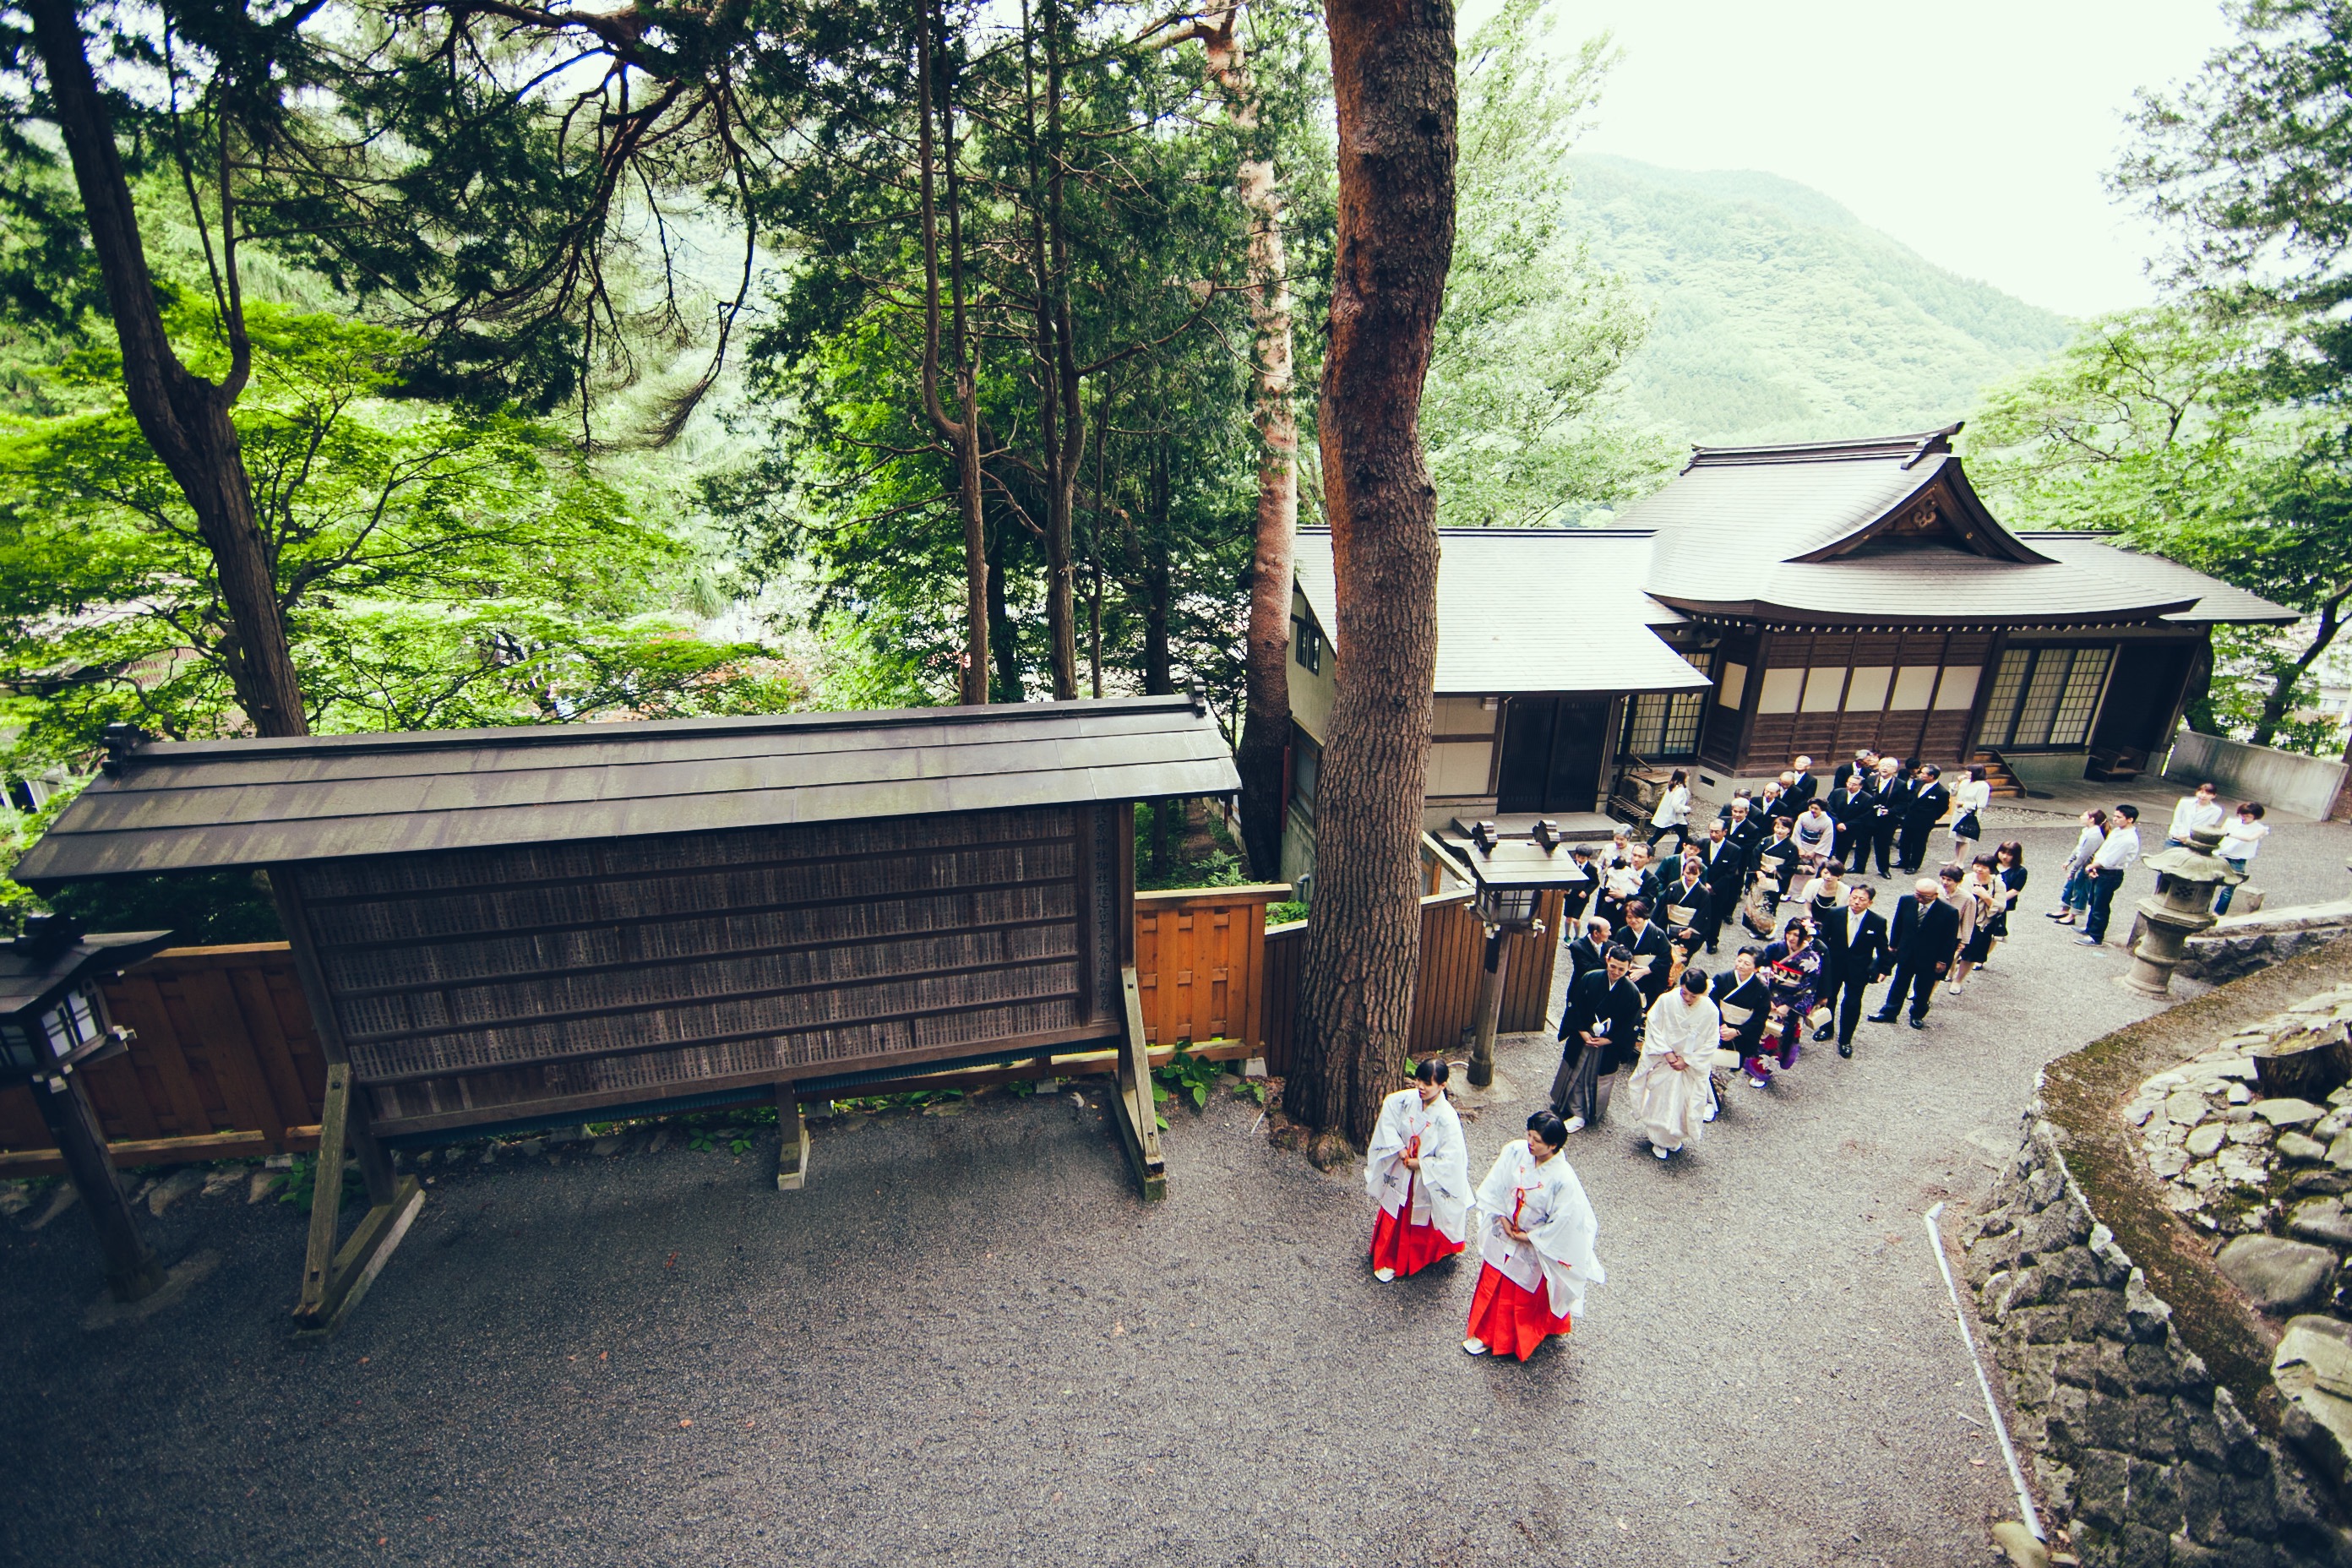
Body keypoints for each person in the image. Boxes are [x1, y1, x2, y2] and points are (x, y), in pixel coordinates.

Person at [1462, 1113, 1604, 1361]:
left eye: (1537, 1140)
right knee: (1494, 1279)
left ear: (1553, 1146)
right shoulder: (1516, 1152)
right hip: (1507, 1228)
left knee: (1521, 1289)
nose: (1529, 1142)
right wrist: (1503, 1218)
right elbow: (1496, 1185)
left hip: (1534, 1241)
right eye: (1529, 1135)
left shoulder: (1563, 1179)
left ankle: (1501, 1337)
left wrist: (1531, 1237)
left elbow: (1565, 1221)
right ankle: (1488, 1334)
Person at [1364, 1059, 1473, 1282]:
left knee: (1423, 1215)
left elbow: (1452, 1159)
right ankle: (1391, 1253)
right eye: (1419, 1080)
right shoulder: (1405, 1100)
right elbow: (1388, 1121)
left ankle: (1412, 1256)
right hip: (1404, 1167)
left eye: (1428, 1084)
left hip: (1424, 1177)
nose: (1420, 1087)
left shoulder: (1448, 1118)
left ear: (1442, 1085)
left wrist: (1422, 1164)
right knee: (1397, 1208)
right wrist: (1400, 1150)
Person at [1551, 945, 1642, 1133]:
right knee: (1577, 1068)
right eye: (1613, 966)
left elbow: (1631, 1023)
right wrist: (1581, 1030)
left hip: (1607, 1044)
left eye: (1621, 969)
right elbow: (1574, 1005)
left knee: (1593, 1075)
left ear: (1629, 968)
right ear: (1608, 961)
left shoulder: (1632, 992)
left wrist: (1610, 1040)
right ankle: (1567, 1104)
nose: (1616, 972)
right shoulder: (1590, 978)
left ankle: (1582, 1113)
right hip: (1582, 1036)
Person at [1632, 969, 1719, 1159]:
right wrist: (1668, 1053)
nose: (1687, 998)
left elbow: (1711, 1041)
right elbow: (1654, 1026)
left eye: (1693, 996)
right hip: (1666, 1059)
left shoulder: (1711, 1010)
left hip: (1689, 1064)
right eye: (1684, 993)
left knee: (1684, 1103)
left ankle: (1674, 1138)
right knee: (1661, 1100)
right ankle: (1659, 1139)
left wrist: (1687, 1061)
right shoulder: (1667, 1000)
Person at [1871, 876, 1962, 1031]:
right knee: (1899, 983)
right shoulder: (1906, 901)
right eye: (1917, 894)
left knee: (1923, 987)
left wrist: (1942, 961)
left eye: (1924, 897)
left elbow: (1949, 940)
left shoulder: (1949, 912)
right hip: (1906, 952)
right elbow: (1898, 924)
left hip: (1929, 957)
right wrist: (1893, 945)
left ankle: (1917, 1015)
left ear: (1935, 896)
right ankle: (1890, 1012)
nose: (1919, 899)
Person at [1749, 916, 1822, 1086]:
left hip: (1790, 1002)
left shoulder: (1812, 959)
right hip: (1769, 996)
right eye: (1789, 933)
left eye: (1796, 935)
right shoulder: (1775, 948)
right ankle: (1750, 1065)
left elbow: (1808, 988)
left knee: (1774, 1039)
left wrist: (1788, 1006)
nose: (1791, 938)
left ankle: (1763, 1072)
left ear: (1804, 936)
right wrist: (1766, 995)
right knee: (1756, 1030)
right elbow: (1760, 970)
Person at [1821, 883, 1889, 1057]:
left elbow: (1883, 948)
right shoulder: (1834, 914)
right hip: (1834, 965)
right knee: (1829, 998)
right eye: (1854, 897)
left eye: (1862, 899)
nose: (1857, 902)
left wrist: (1884, 969)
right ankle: (1826, 1028)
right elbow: (1822, 940)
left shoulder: (1877, 922)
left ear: (1870, 903)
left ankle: (1845, 1040)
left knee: (1852, 1003)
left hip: (1859, 969)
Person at [1712, 948, 1772, 1102]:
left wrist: (1737, 1031)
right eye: (1739, 960)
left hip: (1741, 1034)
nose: (1741, 965)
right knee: (1710, 1066)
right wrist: (1721, 1026)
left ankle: (1715, 1097)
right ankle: (1710, 1097)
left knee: (1726, 1069)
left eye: (1747, 963)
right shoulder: (1721, 978)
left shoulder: (1761, 990)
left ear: (1756, 968)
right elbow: (1712, 1005)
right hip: (1718, 1028)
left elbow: (1760, 1019)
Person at [2077, 804, 2142, 947]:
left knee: (2101, 904)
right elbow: (2104, 851)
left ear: (2130, 819)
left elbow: (2111, 859)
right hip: (2102, 869)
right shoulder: (2118, 831)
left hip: (2111, 873)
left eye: (2119, 817)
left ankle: (2096, 936)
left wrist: (2092, 866)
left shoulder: (2128, 838)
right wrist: (2095, 865)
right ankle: (2090, 928)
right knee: (2094, 901)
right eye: (2115, 816)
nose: (2115, 819)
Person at [2159, 781, 2225, 895]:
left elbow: (2206, 826)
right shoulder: (2185, 802)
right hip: (2175, 838)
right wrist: (2182, 834)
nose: (2203, 796)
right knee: (2166, 868)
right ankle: (2161, 892)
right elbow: (2178, 819)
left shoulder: (2216, 810)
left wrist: (2189, 838)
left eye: (2208, 793)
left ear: (2213, 796)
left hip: (2193, 842)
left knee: (2185, 870)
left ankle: (2174, 894)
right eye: (2201, 792)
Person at [1947, 855, 2000, 994]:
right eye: (1977, 865)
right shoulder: (1965, 879)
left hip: (1981, 923)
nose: (1980, 869)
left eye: (1984, 867)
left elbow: (2000, 907)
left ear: (1991, 869)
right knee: (1951, 950)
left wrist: (1986, 897)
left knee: (1970, 954)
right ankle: (1950, 971)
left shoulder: (1997, 883)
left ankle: (1958, 980)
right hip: (1961, 920)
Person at [2048, 809, 2108, 927]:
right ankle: (2064, 909)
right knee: (2069, 886)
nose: (2081, 817)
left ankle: (2072, 915)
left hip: (2086, 866)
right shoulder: (2087, 831)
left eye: (2084, 815)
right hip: (2080, 863)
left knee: (2080, 890)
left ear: (2092, 819)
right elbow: (2078, 848)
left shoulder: (2095, 835)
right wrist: (2069, 860)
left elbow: (2084, 855)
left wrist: (2073, 869)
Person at [1694, 819, 1744, 955]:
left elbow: (1730, 873)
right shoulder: (1703, 844)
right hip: (1700, 886)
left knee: (1715, 918)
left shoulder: (1734, 850)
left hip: (1719, 890)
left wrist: (1713, 887)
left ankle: (1712, 942)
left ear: (1725, 832)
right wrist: (1701, 883)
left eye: (1717, 832)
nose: (1713, 834)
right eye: (1711, 831)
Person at [1615, 899, 1673, 1010]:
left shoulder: (1658, 934)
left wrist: (1646, 970)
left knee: (1650, 1005)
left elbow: (1665, 958)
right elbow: (1617, 954)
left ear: (1644, 916)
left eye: (1637, 917)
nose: (1633, 921)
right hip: (1629, 973)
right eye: (1629, 917)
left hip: (1652, 975)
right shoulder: (1622, 933)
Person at [2213, 803, 2268, 915]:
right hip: (2221, 854)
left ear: (2255, 816)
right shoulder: (2231, 821)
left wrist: (2229, 834)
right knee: (2209, 882)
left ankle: (2218, 913)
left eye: (2248, 816)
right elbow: (2220, 833)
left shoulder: (2260, 828)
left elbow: (2249, 838)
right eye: (2243, 815)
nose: (2244, 818)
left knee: (2228, 888)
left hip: (2238, 859)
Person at [1980, 841, 2027, 969]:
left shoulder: (2020, 871)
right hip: (1983, 902)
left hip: (2006, 906)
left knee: (1995, 935)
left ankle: (1982, 958)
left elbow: (2016, 890)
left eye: (2009, 854)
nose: (2005, 856)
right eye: (2003, 852)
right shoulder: (1992, 865)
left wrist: (1997, 900)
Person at [1898, 763, 1950, 874]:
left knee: (1918, 843)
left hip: (1924, 821)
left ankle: (1914, 865)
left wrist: (1931, 817)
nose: (1920, 774)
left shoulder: (1941, 792)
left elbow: (1943, 808)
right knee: (1904, 840)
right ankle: (1904, 861)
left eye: (1923, 773)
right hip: (1910, 817)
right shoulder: (1919, 783)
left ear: (1932, 776)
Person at [1750, 817, 1800, 925]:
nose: (1779, 830)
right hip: (1761, 875)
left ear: (1789, 830)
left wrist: (1777, 868)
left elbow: (1792, 865)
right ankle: (1753, 925)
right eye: (1777, 827)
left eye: (1783, 828)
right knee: (1756, 901)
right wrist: (1758, 871)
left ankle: (1766, 928)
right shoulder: (1765, 841)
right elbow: (1755, 856)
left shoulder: (1792, 847)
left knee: (1770, 903)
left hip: (1776, 878)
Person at [1828, 765, 1877, 868]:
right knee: (1828, 851)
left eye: (1854, 785)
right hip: (1834, 826)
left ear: (1860, 786)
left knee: (1842, 853)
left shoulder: (1867, 798)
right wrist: (1837, 823)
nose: (1850, 786)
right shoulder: (1837, 792)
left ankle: (1837, 872)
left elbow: (1864, 816)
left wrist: (1846, 825)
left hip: (1850, 829)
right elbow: (1830, 808)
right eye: (1849, 783)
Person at [1869, 756, 1909, 879]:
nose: (1885, 768)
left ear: (1895, 769)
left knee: (1883, 845)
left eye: (1889, 766)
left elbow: (1903, 803)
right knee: (1863, 843)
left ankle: (1884, 869)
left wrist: (1890, 811)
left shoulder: (1900, 784)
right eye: (1883, 765)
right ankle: (1859, 866)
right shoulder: (1870, 779)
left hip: (1887, 820)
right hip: (1869, 817)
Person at [1661, 855, 1712, 939]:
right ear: (1683, 871)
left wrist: (1691, 930)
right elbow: (1661, 907)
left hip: (1690, 929)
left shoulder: (1703, 892)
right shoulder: (1673, 887)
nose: (1691, 877)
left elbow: (1703, 914)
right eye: (1688, 873)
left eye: (1694, 874)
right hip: (1669, 926)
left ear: (1700, 873)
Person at [1948, 765, 1991, 861]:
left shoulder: (1983, 786)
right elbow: (1953, 793)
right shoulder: (1965, 782)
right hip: (1958, 812)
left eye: (1969, 771)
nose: (1967, 773)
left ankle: (1960, 861)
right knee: (1958, 837)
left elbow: (1981, 804)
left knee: (1964, 839)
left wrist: (1964, 804)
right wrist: (1958, 782)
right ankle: (1956, 859)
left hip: (1969, 814)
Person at [1648, 769, 1692, 856]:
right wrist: (1687, 809)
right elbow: (1676, 805)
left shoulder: (1672, 786)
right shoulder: (1680, 790)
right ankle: (1676, 855)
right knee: (1684, 838)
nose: (1688, 778)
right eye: (1687, 776)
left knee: (1657, 836)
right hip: (1676, 818)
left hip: (1667, 817)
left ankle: (1645, 850)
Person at [1563, 915, 1614, 988]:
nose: (1610, 933)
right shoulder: (1577, 947)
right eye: (1607, 931)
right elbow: (1587, 970)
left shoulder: (1611, 945)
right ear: (1596, 933)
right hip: (1582, 988)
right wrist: (1606, 958)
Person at [1792, 798, 1837, 874]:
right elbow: (1796, 833)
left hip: (1816, 848)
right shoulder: (1803, 816)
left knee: (1814, 871)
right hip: (1802, 845)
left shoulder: (1828, 821)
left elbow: (1826, 840)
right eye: (1811, 807)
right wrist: (1799, 848)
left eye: (1816, 808)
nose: (1813, 810)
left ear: (1822, 809)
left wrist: (1814, 852)